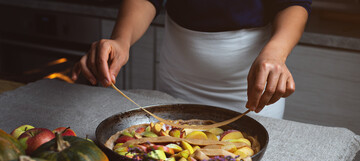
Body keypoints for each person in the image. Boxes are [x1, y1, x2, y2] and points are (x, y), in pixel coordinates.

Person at [72, 0, 312, 119]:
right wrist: (121, 40)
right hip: (177, 81)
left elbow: (293, 3)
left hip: (249, 91)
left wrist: (275, 54)